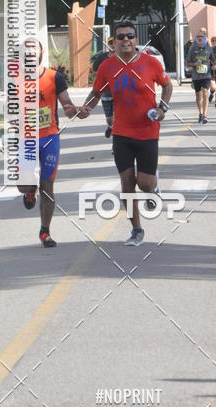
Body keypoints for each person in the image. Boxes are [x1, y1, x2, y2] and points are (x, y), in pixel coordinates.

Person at [79, 20, 173, 246]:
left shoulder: (151, 63)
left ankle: (153, 188)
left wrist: (162, 108)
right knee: (127, 182)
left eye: (129, 36)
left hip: (148, 131)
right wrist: (86, 108)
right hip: (121, 132)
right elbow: (96, 91)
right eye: (120, 37)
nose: (125, 40)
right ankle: (137, 230)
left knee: (144, 183)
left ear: (136, 40)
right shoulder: (107, 67)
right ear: (114, 42)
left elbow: (167, 85)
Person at [17, 41, 78, 247]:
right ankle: (29, 190)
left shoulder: (54, 77)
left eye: (34, 49)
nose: (31, 52)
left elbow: (66, 103)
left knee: (48, 185)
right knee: (24, 183)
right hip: (26, 139)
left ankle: (45, 231)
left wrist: (73, 109)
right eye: (27, 50)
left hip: (50, 137)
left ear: (41, 52)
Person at [186, 28, 213, 124]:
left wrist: (214, 66)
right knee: (198, 95)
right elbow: (187, 63)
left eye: (201, 36)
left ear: (205, 37)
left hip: (206, 75)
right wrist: (195, 64)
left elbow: (213, 61)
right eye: (198, 37)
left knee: (205, 92)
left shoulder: (209, 48)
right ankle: (200, 113)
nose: (200, 38)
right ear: (196, 38)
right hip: (196, 76)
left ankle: (205, 115)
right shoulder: (192, 48)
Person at [91, 35, 115, 137]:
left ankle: (116, 143)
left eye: (114, 42)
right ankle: (110, 127)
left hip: (118, 93)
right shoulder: (102, 57)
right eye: (110, 43)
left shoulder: (122, 58)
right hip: (105, 92)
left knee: (116, 118)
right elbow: (94, 70)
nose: (113, 45)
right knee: (109, 118)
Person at [209, 35, 216, 107]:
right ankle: (212, 93)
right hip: (211, 70)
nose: (214, 42)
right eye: (212, 41)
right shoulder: (209, 50)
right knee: (213, 87)